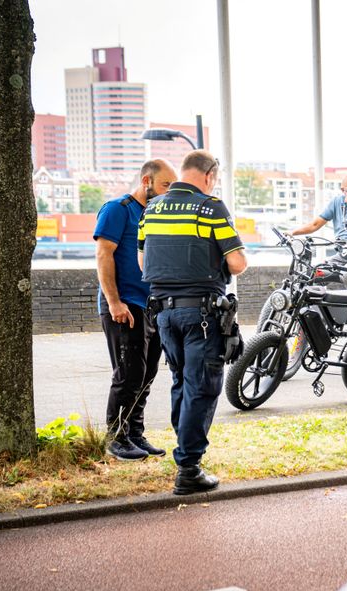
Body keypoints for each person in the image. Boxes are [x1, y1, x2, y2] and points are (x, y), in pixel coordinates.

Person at [138, 150, 247, 495]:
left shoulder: (151, 209)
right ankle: (188, 468)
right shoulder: (210, 207)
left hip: (164, 313)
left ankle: (184, 454)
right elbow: (238, 263)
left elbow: (144, 263)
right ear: (209, 175)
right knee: (202, 386)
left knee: (181, 383)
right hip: (201, 312)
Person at [94, 158, 177, 461]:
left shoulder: (155, 214)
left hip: (151, 306)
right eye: (166, 185)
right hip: (123, 304)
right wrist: (114, 302)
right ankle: (116, 438)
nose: (170, 191)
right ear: (147, 181)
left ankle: (135, 435)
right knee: (129, 373)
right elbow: (104, 255)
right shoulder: (117, 209)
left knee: (148, 372)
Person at [291, 175, 347, 289]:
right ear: (343, 191)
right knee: (312, 274)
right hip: (343, 255)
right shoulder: (336, 202)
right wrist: (292, 233)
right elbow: (315, 224)